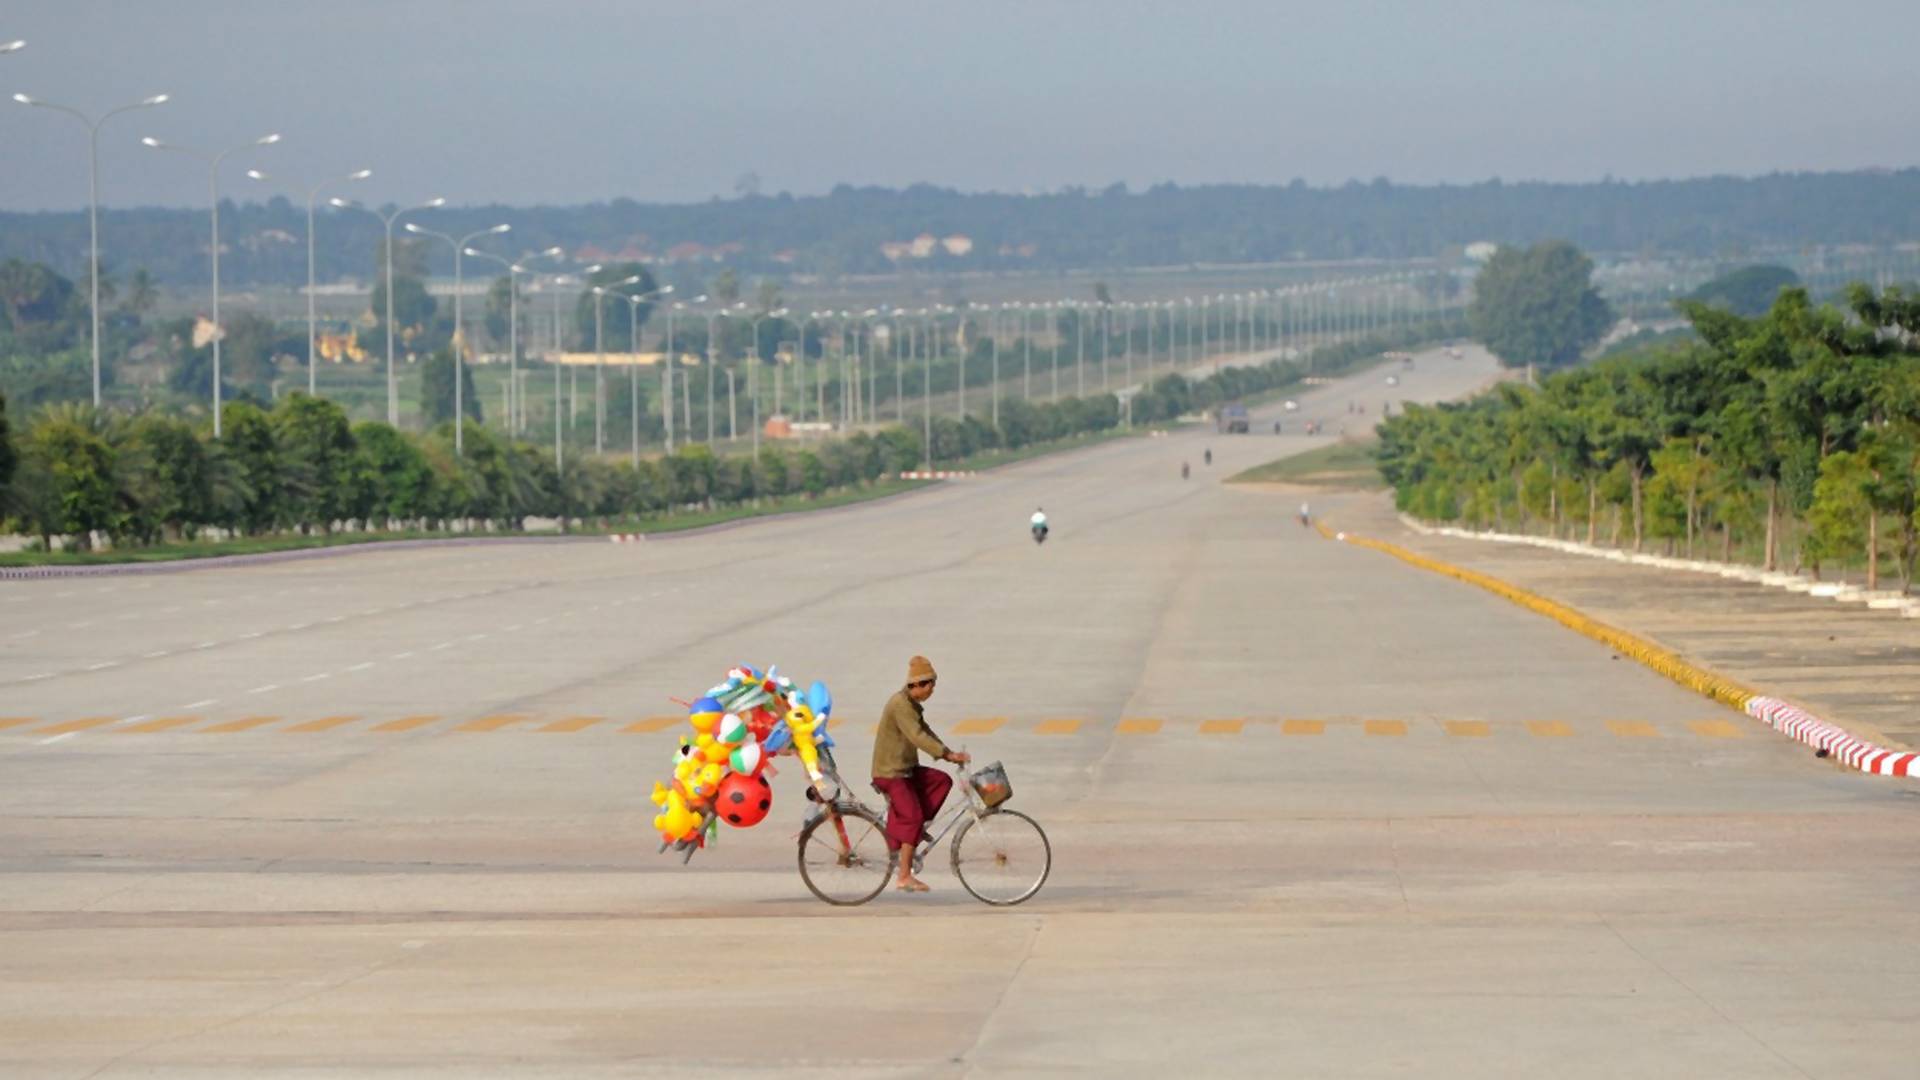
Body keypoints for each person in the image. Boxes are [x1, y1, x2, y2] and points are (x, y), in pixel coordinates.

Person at [871, 656, 970, 893]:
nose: (931, 691)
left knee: (941, 781)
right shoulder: (900, 705)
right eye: (929, 685)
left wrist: (948, 753)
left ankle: (911, 832)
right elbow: (917, 736)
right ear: (916, 685)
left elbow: (926, 731)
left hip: (906, 769)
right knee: (913, 817)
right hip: (891, 772)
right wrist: (946, 754)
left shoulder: (911, 705)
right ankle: (904, 876)